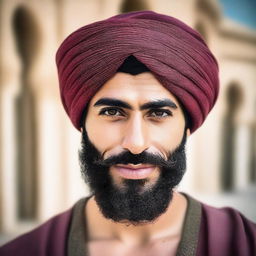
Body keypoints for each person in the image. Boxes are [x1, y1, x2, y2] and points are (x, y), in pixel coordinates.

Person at [1, 10, 255, 256]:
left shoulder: (244, 244)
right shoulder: (27, 250)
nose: (135, 144)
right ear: (82, 123)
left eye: (159, 114)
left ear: (187, 127)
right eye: (112, 112)